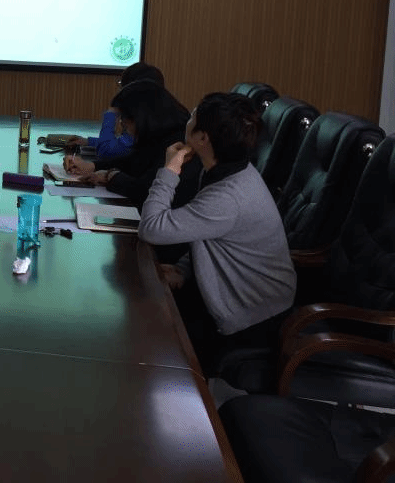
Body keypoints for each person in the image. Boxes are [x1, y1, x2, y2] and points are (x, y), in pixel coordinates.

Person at [137, 92, 296, 375]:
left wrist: (169, 170)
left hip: (252, 316)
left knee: (151, 340)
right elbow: (214, 238)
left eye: (193, 116)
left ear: (202, 138)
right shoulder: (230, 171)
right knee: (145, 306)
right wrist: (183, 269)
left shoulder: (227, 196)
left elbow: (151, 228)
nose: (188, 119)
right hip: (234, 294)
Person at [64, 79, 200, 207]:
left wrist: (110, 176)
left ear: (141, 117)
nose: (122, 124)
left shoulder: (177, 143)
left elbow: (146, 190)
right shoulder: (159, 135)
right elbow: (134, 161)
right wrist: (93, 166)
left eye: (124, 118)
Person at [63, 61, 167, 159]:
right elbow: (119, 145)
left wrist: (112, 112)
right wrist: (88, 141)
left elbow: (105, 151)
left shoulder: (141, 123)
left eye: (122, 86)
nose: (120, 91)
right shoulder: (157, 116)